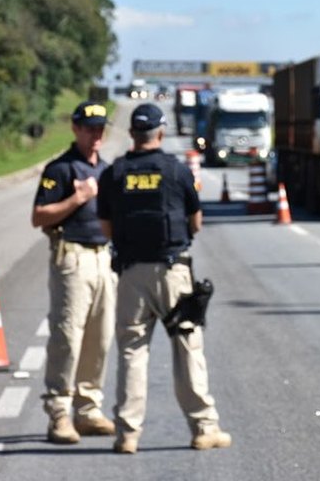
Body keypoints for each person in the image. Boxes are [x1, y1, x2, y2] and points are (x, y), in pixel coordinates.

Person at [96, 103, 231, 454]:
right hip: (173, 272)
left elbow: (105, 227)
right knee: (187, 348)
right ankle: (204, 428)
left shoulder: (114, 173)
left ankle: (127, 433)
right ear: (160, 132)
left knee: (131, 352)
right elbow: (196, 222)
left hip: (130, 275)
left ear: (132, 134)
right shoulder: (176, 170)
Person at [31, 100, 116, 444]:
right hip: (72, 256)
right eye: (89, 128)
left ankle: (88, 408)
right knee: (67, 336)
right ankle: (59, 412)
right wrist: (76, 200)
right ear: (75, 129)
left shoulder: (107, 170)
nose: (95, 134)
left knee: (101, 336)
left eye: (100, 128)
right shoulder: (61, 170)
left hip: (103, 257)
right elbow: (38, 217)